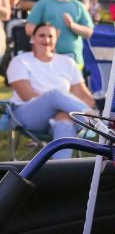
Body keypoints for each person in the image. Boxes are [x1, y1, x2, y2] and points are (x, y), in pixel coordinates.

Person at [5, 23, 95, 158]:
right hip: (28, 115)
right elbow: (27, 96)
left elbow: (85, 97)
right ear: (32, 38)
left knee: (64, 122)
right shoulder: (19, 61)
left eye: (50, 36)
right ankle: (97, 122)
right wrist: (62, 105)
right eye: (41, 35)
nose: (46, 40)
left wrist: (64, 111)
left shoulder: (67, 62)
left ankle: (59, 173)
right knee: (55, 95)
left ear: (56, 39)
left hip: (63, 114)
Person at [25, 0, 93, 67]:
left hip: (72, 59)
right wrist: (47, 32)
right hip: (46, 57)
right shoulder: (43, 4)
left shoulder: (79, 6)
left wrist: (72, 26)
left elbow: (88, 32)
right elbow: (29, 29)